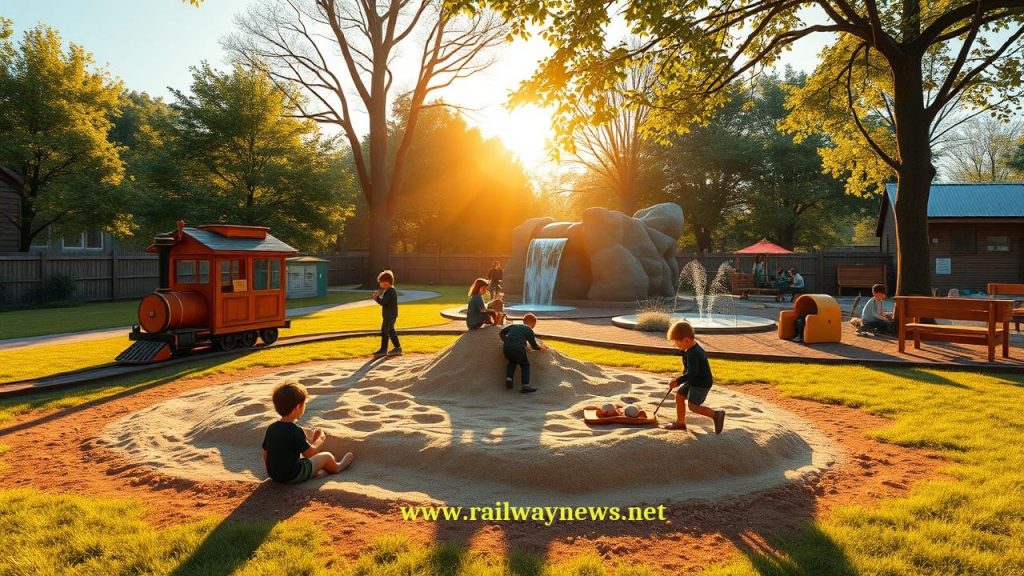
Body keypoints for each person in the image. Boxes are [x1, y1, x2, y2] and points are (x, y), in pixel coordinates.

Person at [262, 382, 354, 484]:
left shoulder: (271, 428)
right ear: (297, 407)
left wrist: (272, 472)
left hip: (275, 475)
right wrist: (320, 440)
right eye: (304, 404)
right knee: (326, 456)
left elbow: (265, 454)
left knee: (296, 454)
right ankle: (338, 467)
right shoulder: (295, 430)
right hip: (293, 475)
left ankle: (314, 471)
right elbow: (311, 454)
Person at [664, 320, 726, 434]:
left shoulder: (693, 353)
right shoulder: (689, 349)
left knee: (693, 406)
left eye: (676, 343)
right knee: (679, 396)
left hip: (701, 383)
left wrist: (678, 381)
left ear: (686, 340)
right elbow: (688, 370)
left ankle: (716, 414)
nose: (675, 345)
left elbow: (692, 372)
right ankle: (680, 423)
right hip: (694, 380)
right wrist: (680, 378)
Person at [499, 313, 547, 393]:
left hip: (506, 348)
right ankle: (525, 385)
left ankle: (509, 378)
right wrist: (541, 348)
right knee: (525, 364)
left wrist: (507, 340)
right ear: (533, 323)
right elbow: (534, 346)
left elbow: (501, 333)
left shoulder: (514, 326)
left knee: (512, 362)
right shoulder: (529, 330)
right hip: (518, 348)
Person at [371, 270, 401, 358]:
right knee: (391, 331)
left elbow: (384, 302)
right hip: (390, 315)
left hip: (389, 315)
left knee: (385, 331)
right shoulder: (389, 291)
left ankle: (383, 349)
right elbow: (385, 302)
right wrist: (378, 297)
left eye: (381, 282)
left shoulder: (390, 291)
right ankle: (397, 348)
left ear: (386, 282)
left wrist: (376, 298)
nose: (380, 284)